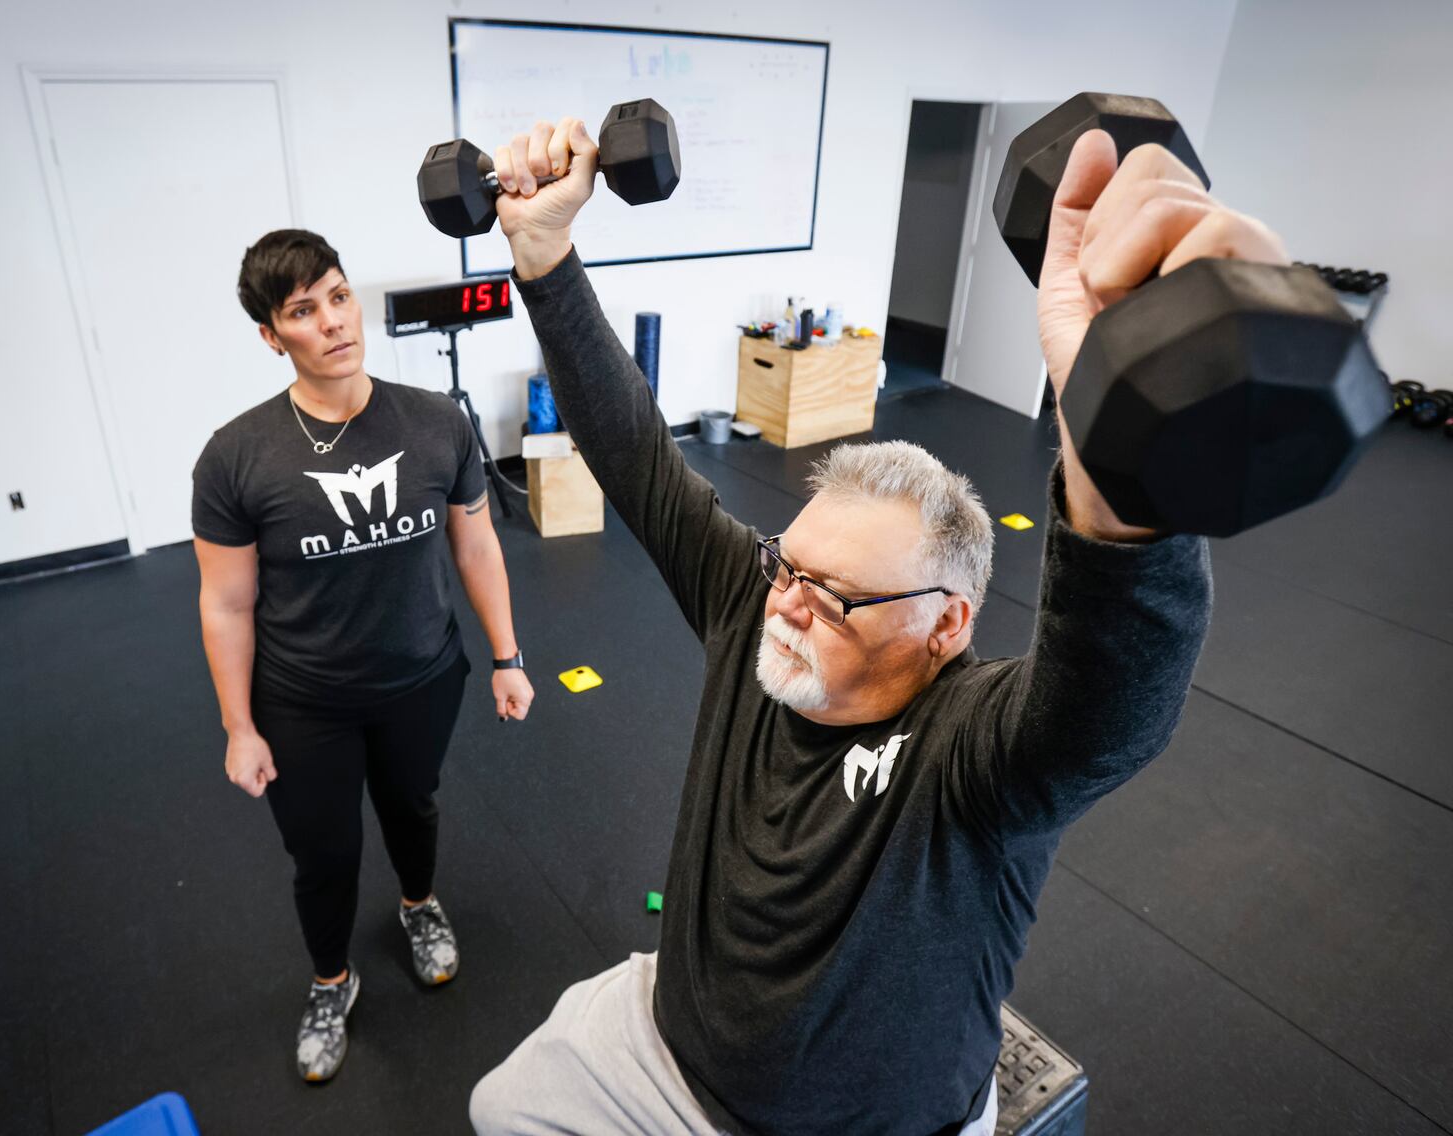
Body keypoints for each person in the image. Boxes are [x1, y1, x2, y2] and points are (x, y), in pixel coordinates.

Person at [468, 116, 1282, 1136]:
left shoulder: (975, 751)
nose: (790, 603)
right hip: (669, 1039)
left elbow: (1112, 699)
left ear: (946, 626)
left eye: (838, 594)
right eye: (788, 565)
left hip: (874, 1123)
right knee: (499, 1106)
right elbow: (633, 449)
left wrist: (1123, 445)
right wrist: (542, 252)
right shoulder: (759, 600)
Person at [191, 229, 535, 1083]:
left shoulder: (433, 422)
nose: (334, 322)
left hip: (422, 676)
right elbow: (226, 601)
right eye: (303, 311)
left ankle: (419, 905)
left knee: (414, 805)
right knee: (325, 852)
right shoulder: (236, 456)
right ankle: (331, 980)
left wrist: (507, 656)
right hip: (303, 699)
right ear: (274, 337)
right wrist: (239, 727)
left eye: (339, 296)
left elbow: (478, 546)